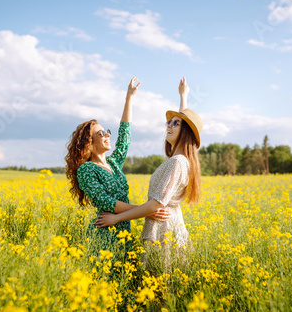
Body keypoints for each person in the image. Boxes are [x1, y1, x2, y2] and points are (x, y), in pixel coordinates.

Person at [95, 77, 202, 267]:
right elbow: (185, 122)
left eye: (175, 123)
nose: (168, 125)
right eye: (168, 122)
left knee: (160, 288)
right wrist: (183, 96)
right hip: (167, 225)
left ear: (185, 132)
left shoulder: (177, 162)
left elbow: (155, 205)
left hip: (164, 229)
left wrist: (116, 218)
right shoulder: (180, 160)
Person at [64, 77, 169, 253]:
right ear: (89, 142)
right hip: (105, 231)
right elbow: (105, 201)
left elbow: (124, 137)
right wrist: (144, 211)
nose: (107, 135)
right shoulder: (86, 170)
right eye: (101, 133)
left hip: (123, 228)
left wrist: (128, 98)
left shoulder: (113, 163)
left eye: (107, 131)